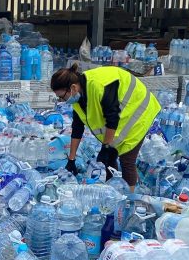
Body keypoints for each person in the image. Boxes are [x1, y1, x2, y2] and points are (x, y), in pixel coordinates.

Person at [50, 63, 160, 191]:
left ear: (73, 88)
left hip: (139, 110)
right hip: (122, 115)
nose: (62, 101)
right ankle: (112, 191)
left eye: (62, 97)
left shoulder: (99, 86)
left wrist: (106, 147)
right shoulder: (78, 97)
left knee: (126, 160)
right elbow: (77, 129)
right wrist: (71, 159)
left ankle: (130, 198)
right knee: (108, 159)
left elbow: (112, 118)